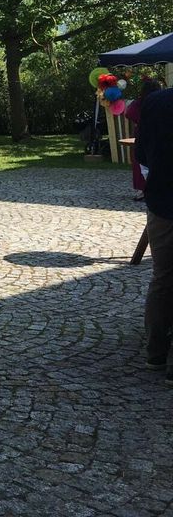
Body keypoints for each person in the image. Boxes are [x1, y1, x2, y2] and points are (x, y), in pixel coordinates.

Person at [135, 85, 173, 382]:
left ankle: (156, 353)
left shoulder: (156, 102)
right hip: (161, 199)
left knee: (163, 278)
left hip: (161, 201)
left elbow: (142, 155)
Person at [126, 79, 162, 201]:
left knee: (140, 161)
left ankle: (142, 190)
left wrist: (140, 121)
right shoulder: (160, 100)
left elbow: (129, 112)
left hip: (143, 132)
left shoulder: (140, 102)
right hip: (158, 132)